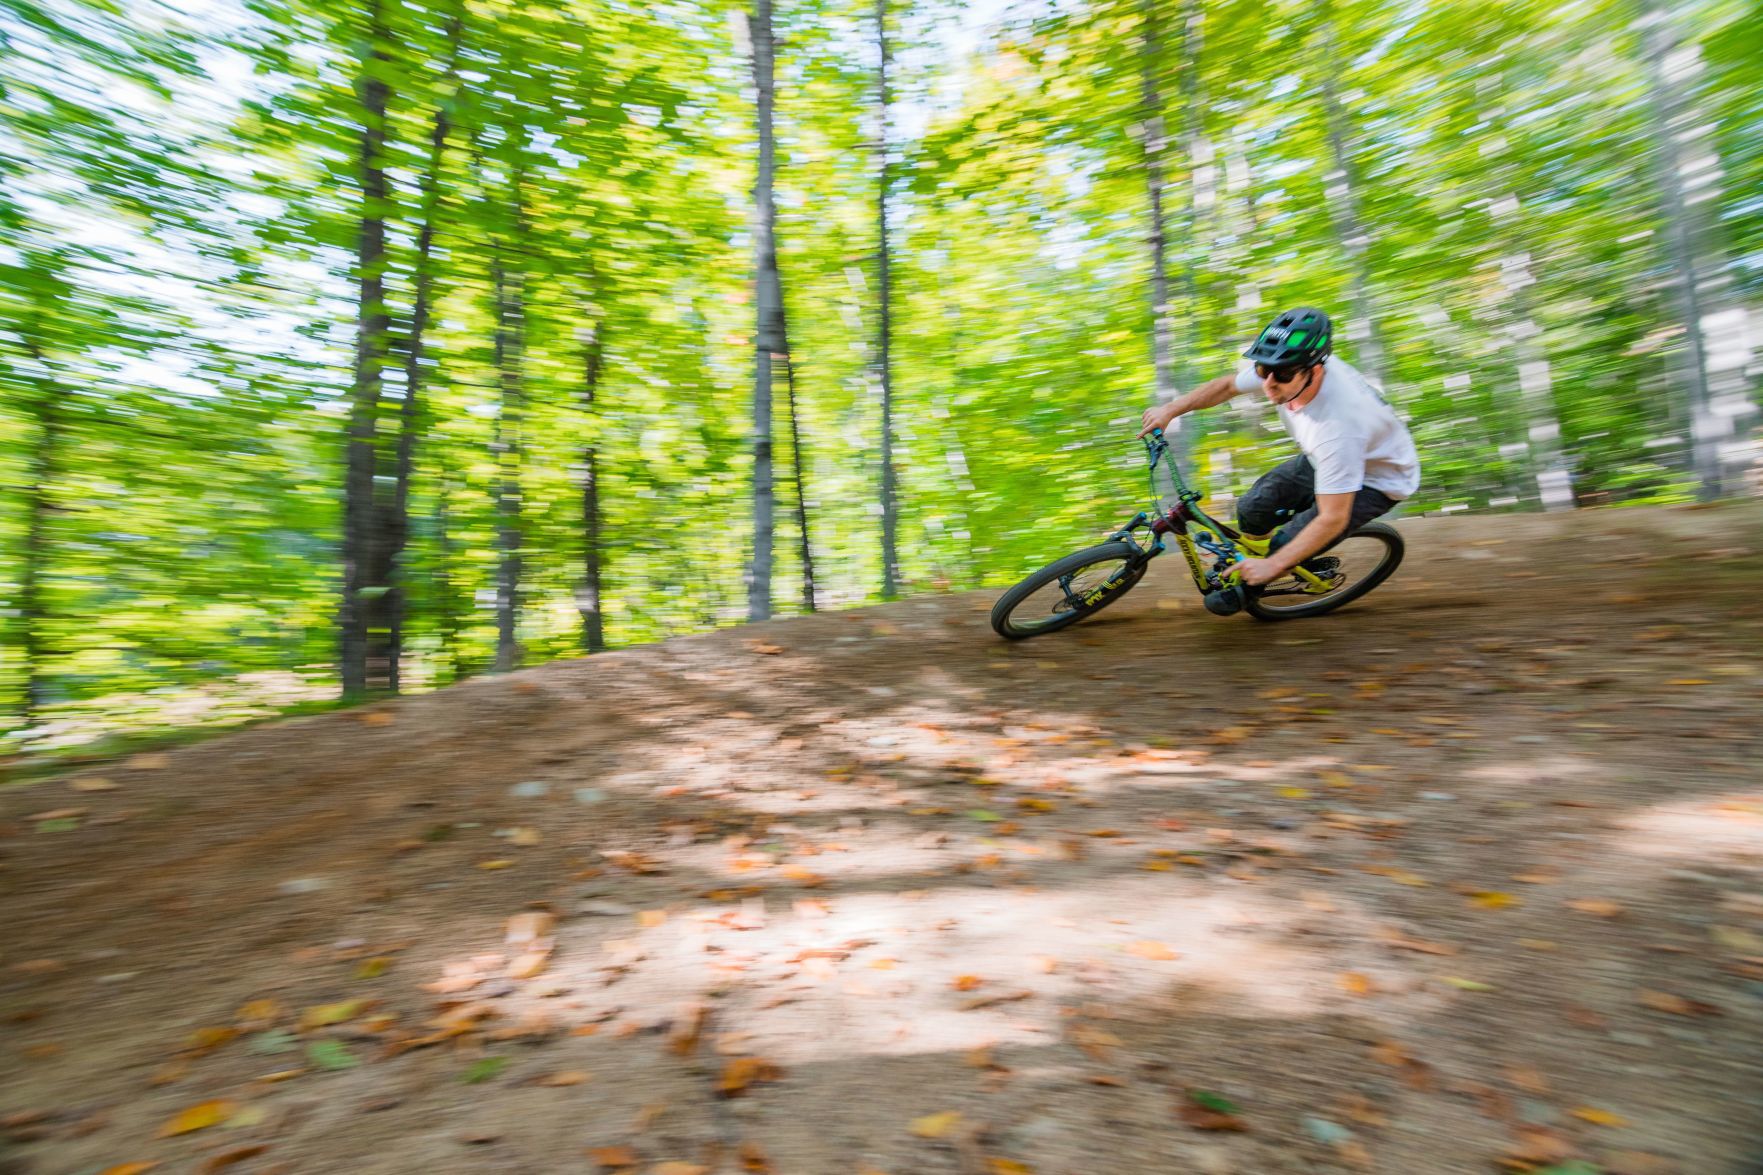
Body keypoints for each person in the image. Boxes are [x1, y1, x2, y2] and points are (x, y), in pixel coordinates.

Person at [1138, 307, 1419, 588]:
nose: (1269, 384)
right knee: (1252, 510)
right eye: (1262, 369)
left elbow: (1334, 517)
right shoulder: (1283, 369)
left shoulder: (1338, 425)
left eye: (1282, 375)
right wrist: (1170, 410)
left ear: (1316, 370)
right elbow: (1226, 386)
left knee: (1282, 547)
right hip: (1324, 458)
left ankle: (1269, 573)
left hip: (1377, 479)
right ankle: (1270, 560)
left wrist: (1273, 564)